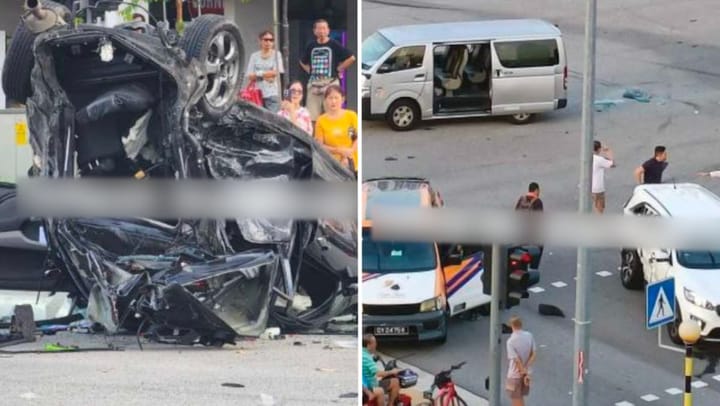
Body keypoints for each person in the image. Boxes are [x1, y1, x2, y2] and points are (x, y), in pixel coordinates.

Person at [300, 18, 356, 121]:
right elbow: (302, 61)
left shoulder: (334, 44)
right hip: (314, 84)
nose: (321, 31)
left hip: (330, 82)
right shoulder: (311, 45)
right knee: (312, 117)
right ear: (314, 31)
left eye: (324, 28)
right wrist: (310, 71)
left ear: (328, 30)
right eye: (319, 28)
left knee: (332, 115)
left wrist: (340, 68)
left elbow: (351, 58)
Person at [314, 85, 358, 174]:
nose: (333, 101)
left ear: (342, 99)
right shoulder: (321, 120)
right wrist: (338, 151)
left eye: (336, 98)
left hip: (351, 164)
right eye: (330, 98)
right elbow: (320, 146)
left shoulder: (350, 116)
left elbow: (354, 138)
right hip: (331, 166)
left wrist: (348, 154)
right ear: (325, 100)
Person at [245, 30, 285, 113]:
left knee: (272, 121)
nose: (268, 42)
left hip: (272, 93)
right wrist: (266, 75)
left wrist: (258, 74)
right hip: (257, 93)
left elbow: (276, 72)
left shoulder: (277, 54)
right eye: (266, 40)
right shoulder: (254, 56)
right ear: (260, 41)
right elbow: (249, 75)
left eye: (271, 40)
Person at [362, 334, 401, 406]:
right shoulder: (366, 358)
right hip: (371, 385)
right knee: (395, 382)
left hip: (369, 382)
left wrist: (374, 359)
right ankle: (390, 404)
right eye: (374, 343)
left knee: (384, 379)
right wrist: (392, 371)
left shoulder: (363, 353)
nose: (376, 345)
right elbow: (378, 373)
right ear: (368, 345)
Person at [505, 316, 536, 406]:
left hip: (515, 375)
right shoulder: (529, 335)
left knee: (516, 400)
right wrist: (527, 370)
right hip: (527, 373)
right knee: (520, 398)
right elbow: (533, 354)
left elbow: (516, 360)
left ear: (511, 326)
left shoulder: (510, 341)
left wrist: (523, 373)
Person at [515, 182, 544, 271]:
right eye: (538, 191)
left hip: (521, 231)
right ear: (536, 190)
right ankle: (533, 267)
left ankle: (521, 264)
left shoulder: (521, 199)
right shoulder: (537, 202)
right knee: (539, 247)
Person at [591, 140, 615, 214]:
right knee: (600, 209)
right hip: (597, 189)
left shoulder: (588, 158)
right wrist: (608, 151)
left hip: (588, 186)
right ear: (599, 149)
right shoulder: (599, 160)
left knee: (592, 207)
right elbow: (612, 164)